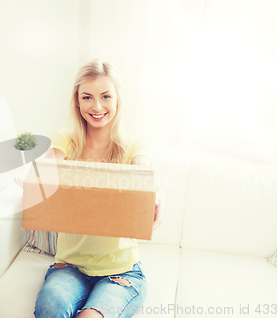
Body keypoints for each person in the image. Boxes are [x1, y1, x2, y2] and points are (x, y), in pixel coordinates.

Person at [34, 58, 162, 318]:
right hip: (70, 266)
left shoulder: (134, 146)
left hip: (122, 271)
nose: (97, 106)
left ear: (117, 100)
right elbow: (49, 170)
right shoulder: (65, 141)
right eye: (87, 97)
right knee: (50, 309)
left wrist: (155, 189)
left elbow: (143, 173)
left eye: (105, 96)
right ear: (77, 101)